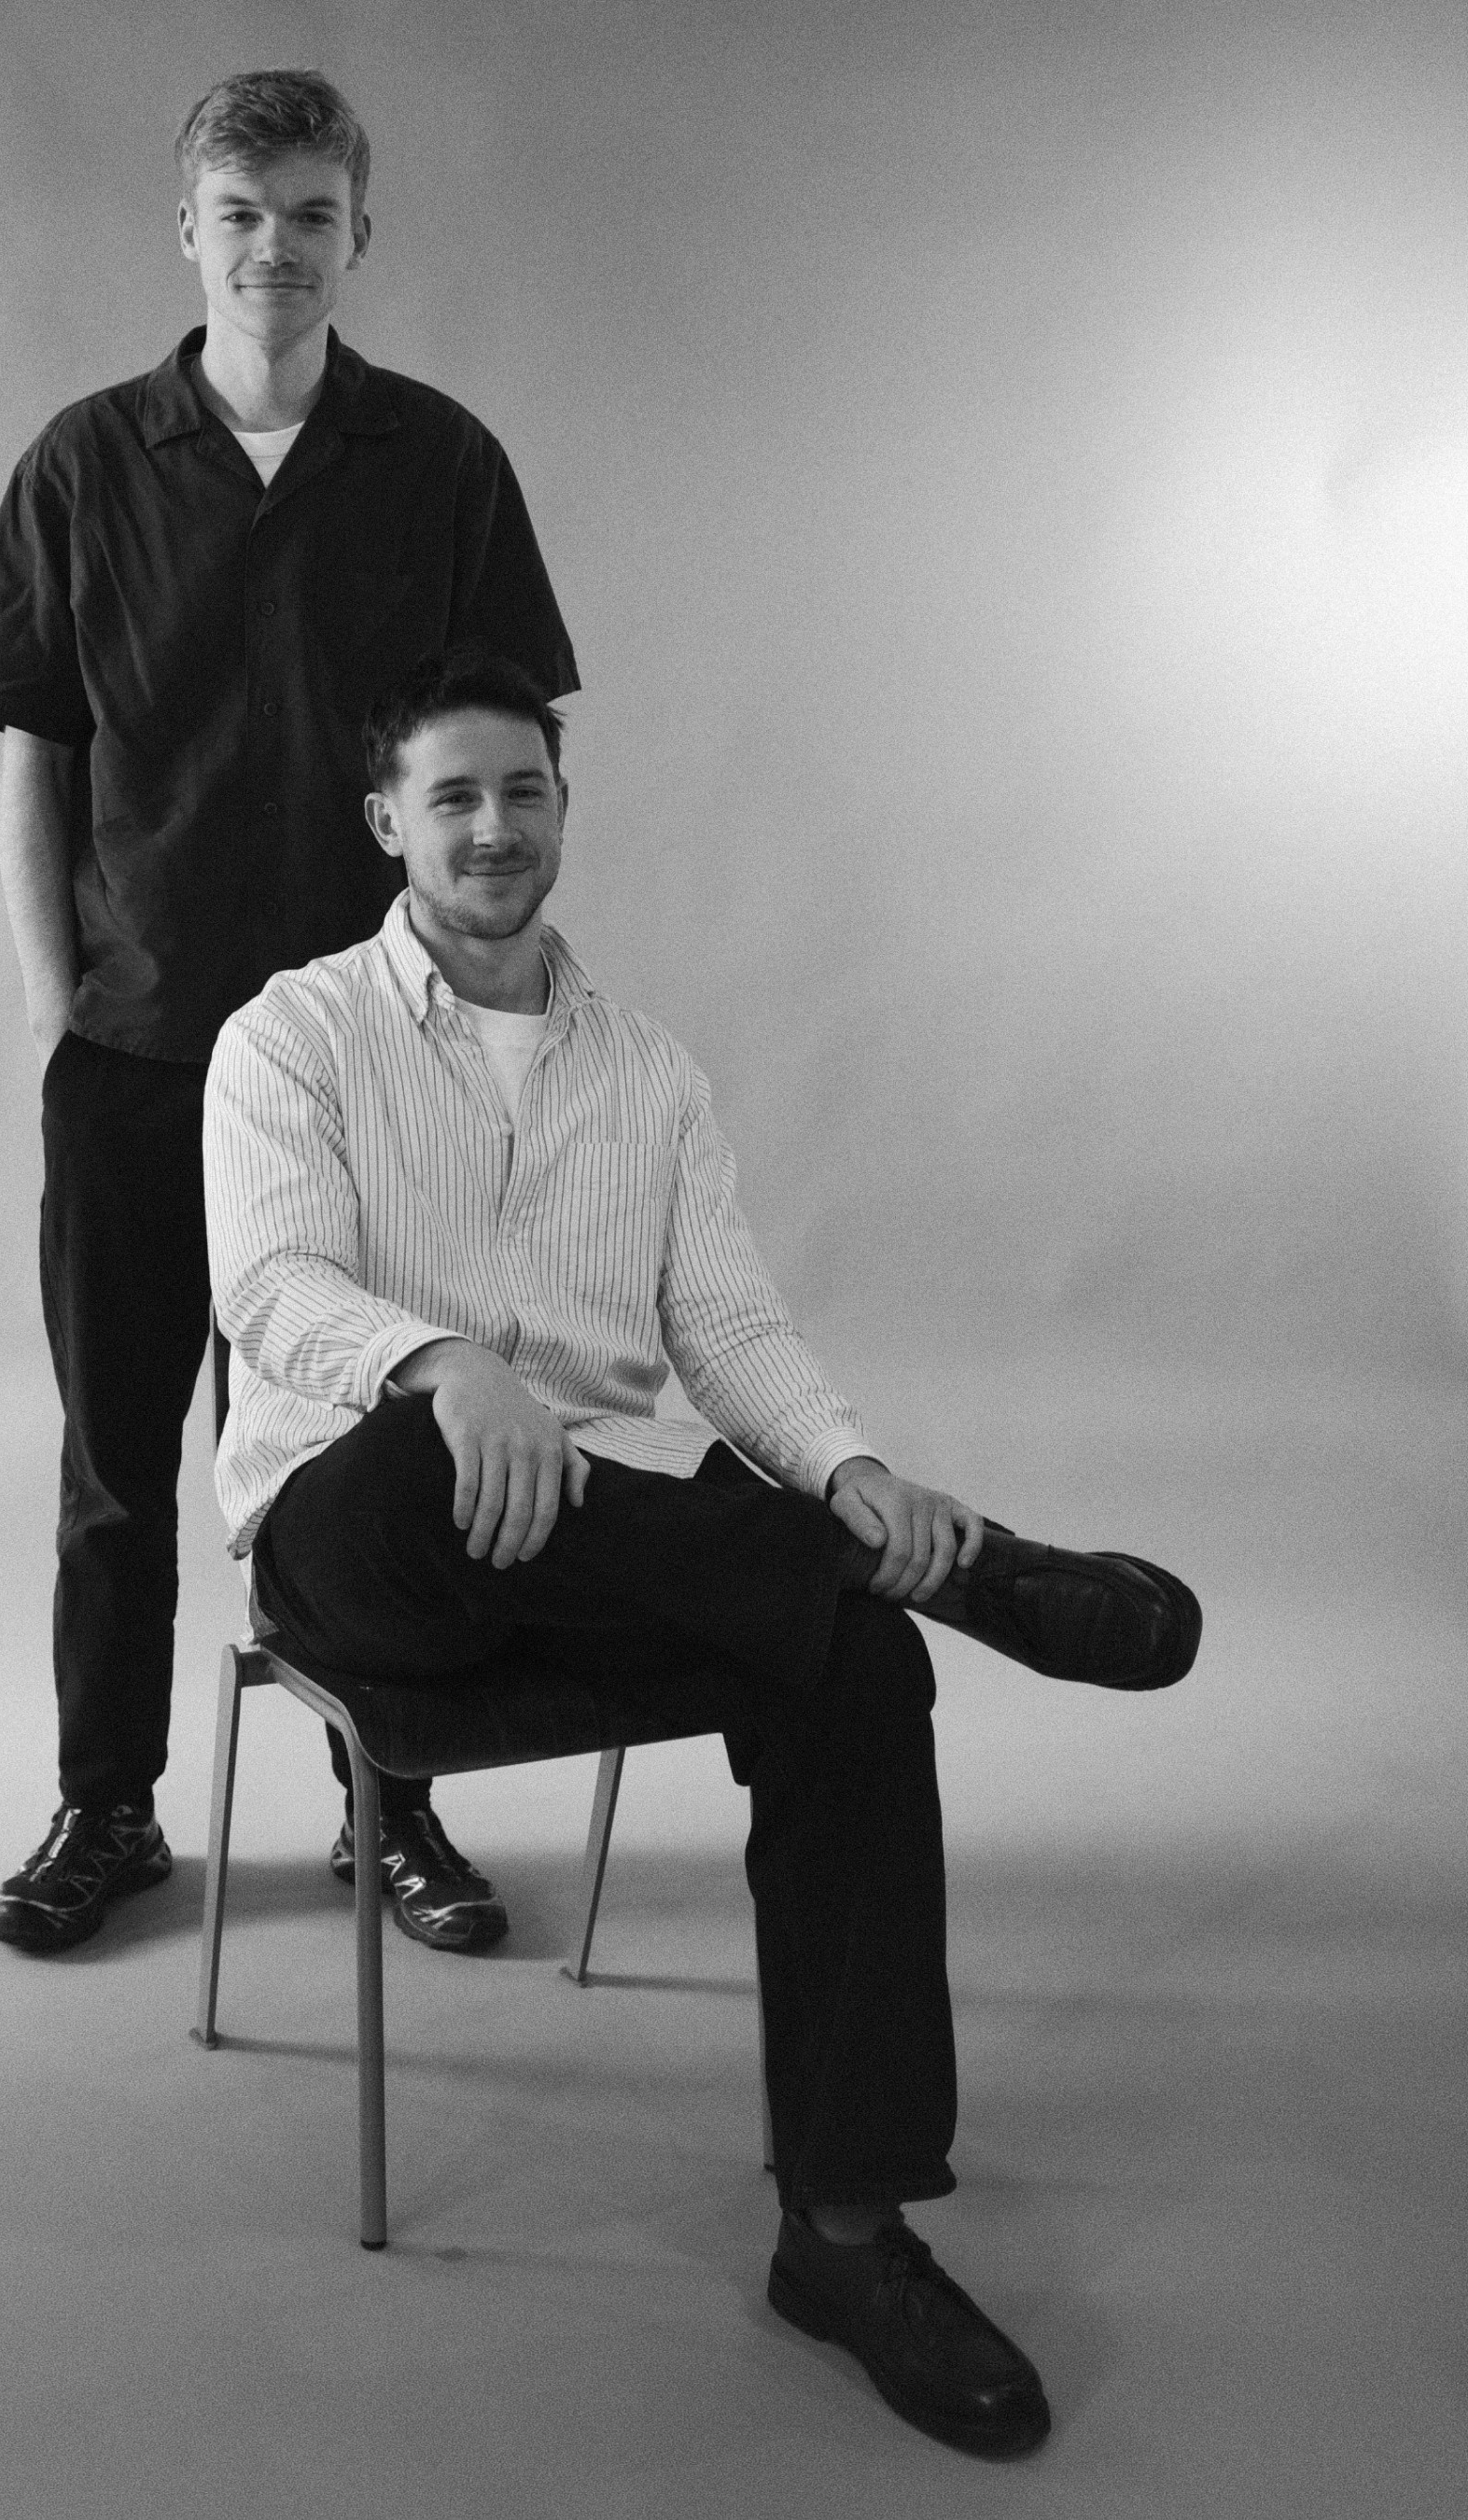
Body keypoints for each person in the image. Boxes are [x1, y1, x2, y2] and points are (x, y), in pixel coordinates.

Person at [202, 649, 1200, 2460]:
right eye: (452, 797)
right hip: (373, 1547)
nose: (493, 828)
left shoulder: (649, 1072)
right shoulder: (290, 1036)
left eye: (523, 792)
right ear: (386, 824)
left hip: (611, 1552)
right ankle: (963, 1569)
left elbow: (728, 1327)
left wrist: (852, 1469)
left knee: (859, 1659)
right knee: (434, 1460)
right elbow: (270, 1286)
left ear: (562, 810)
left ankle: (848, 2236)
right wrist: (449, 1368)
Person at [0, 72, 578, 1956]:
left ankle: (395, 1803)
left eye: (309, 214)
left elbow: (493, 757)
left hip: (374, 1067)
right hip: (138, 1057)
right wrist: (59, 1015)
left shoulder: (439, 463)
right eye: (239, 212)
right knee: (119, 1459)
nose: (273, 248)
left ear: (357, 233)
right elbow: (36, 759)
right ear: (188, 232)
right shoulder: (84, 466)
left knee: (374, 1450)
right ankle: (106, 1807)